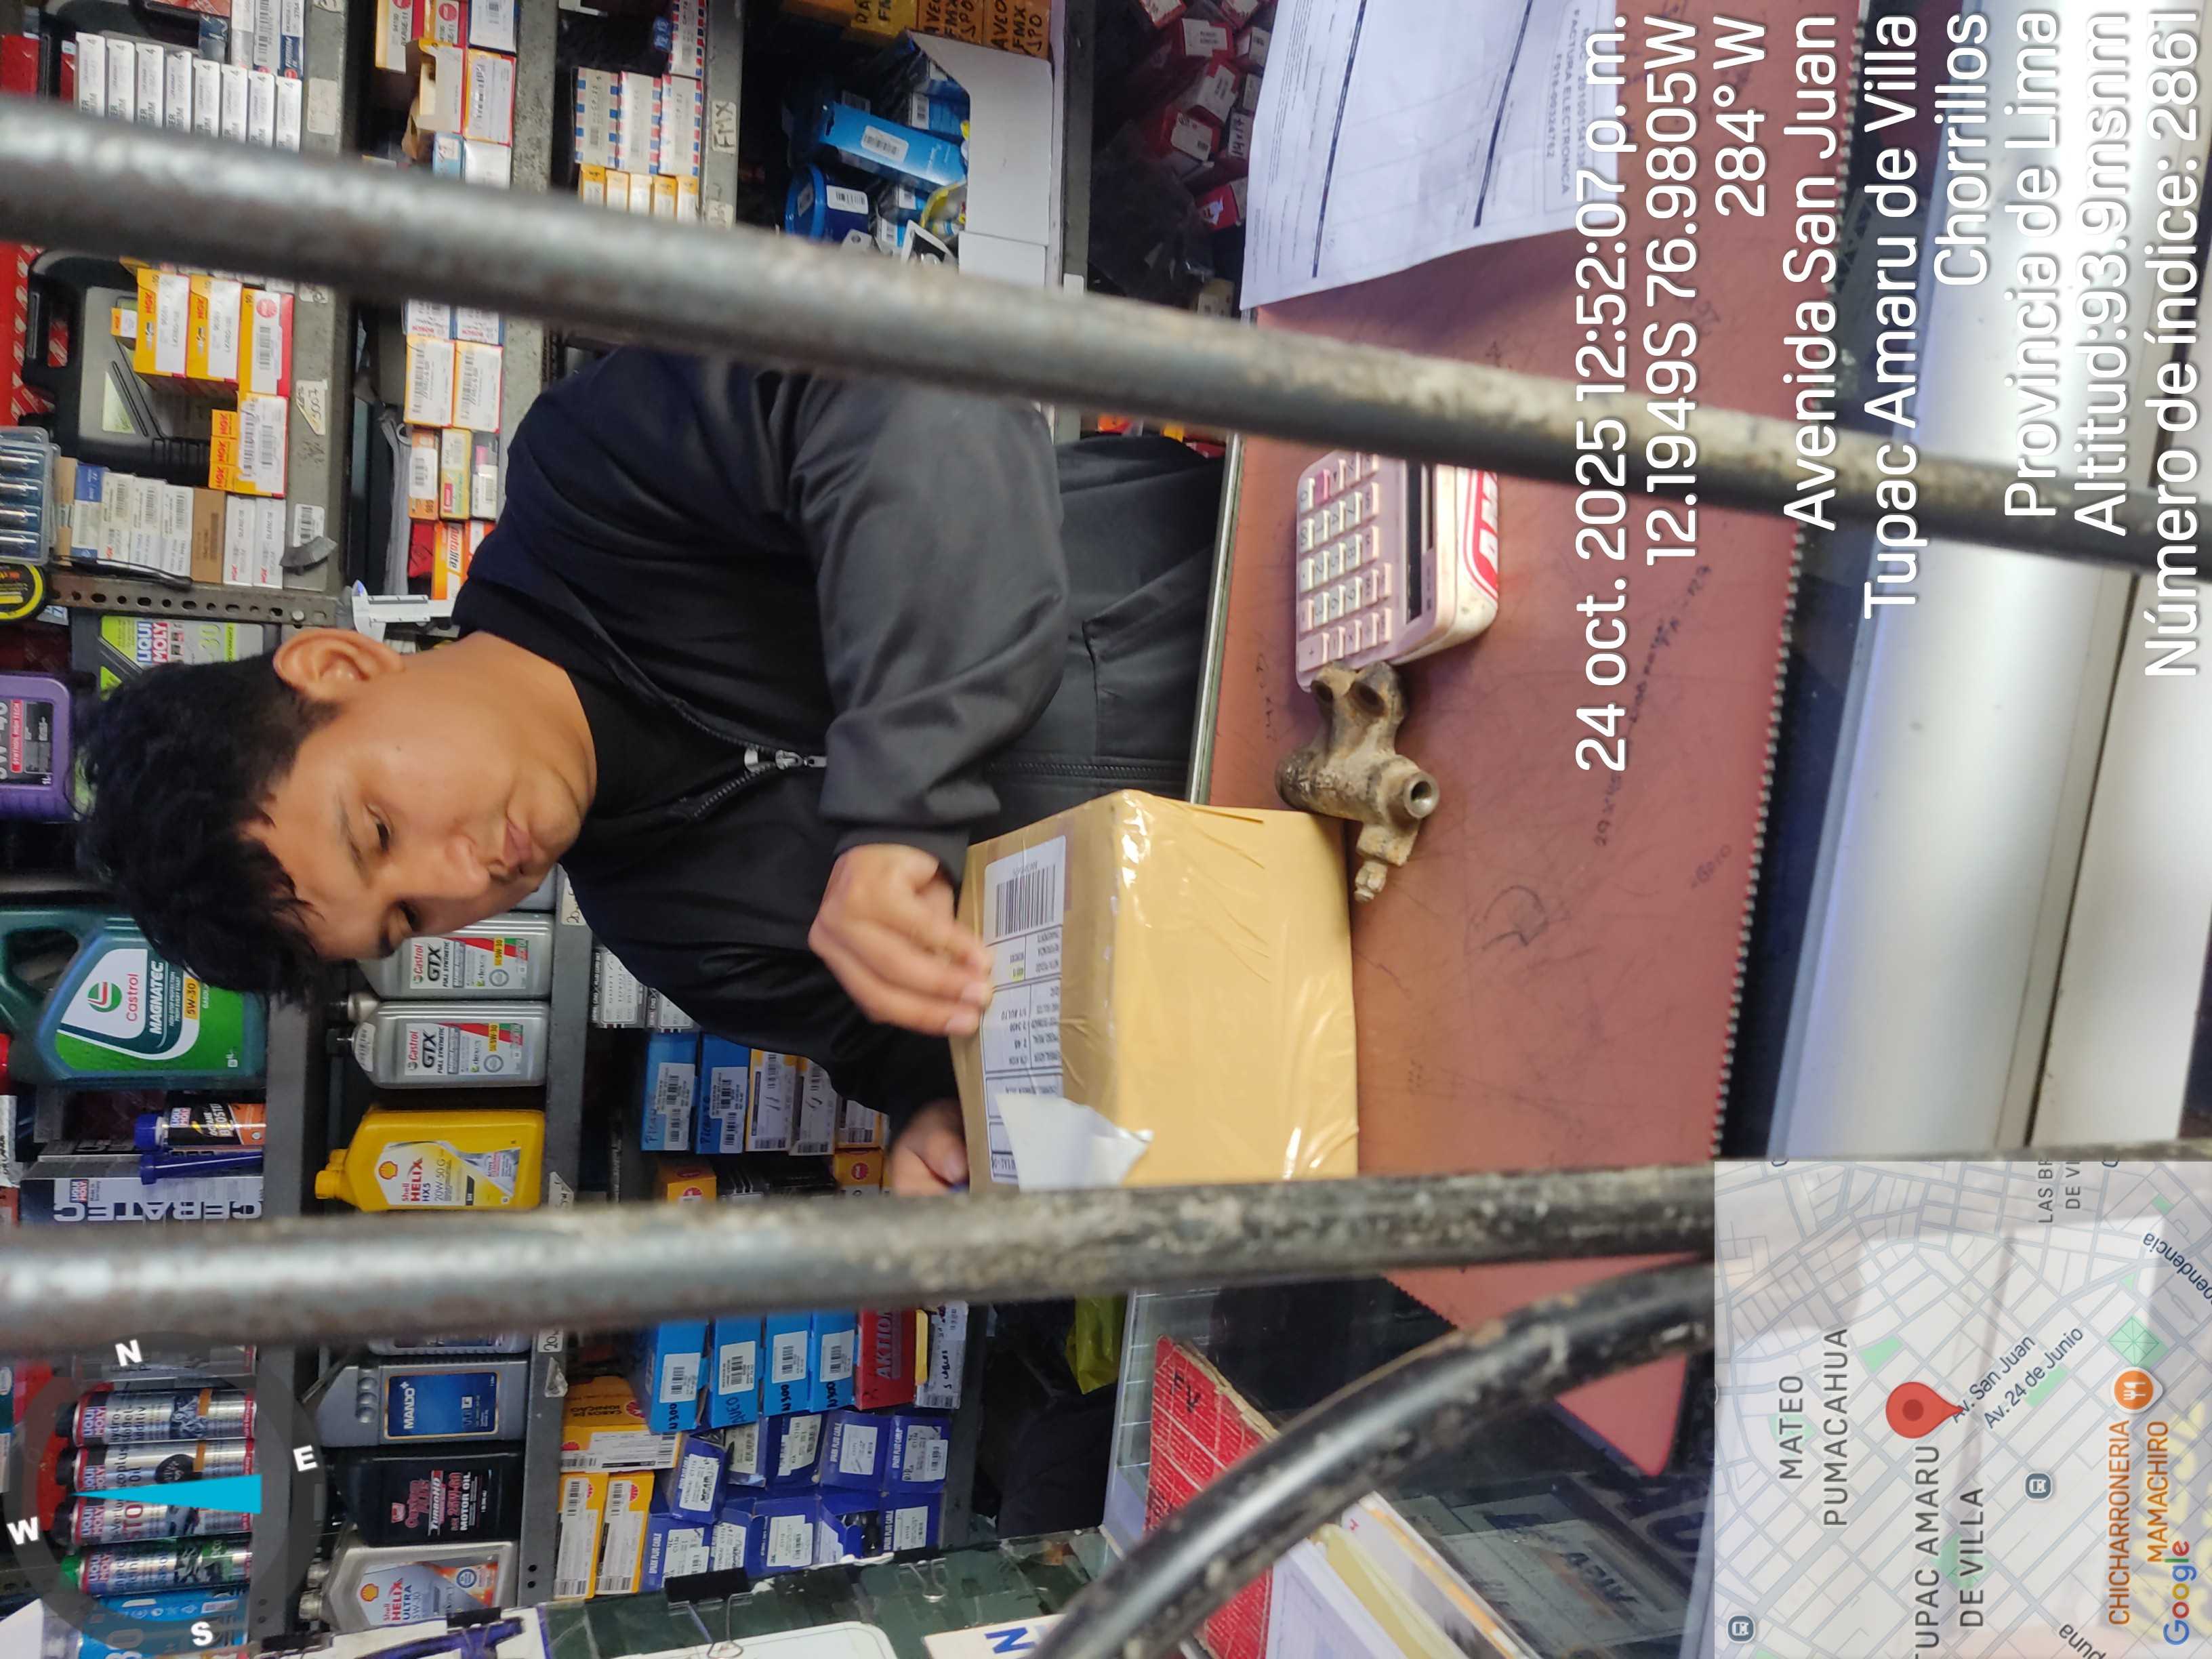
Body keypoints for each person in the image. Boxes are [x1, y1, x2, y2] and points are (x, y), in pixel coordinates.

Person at [78, 349, 1220, 1191]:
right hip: (1255, 920)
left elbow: (916, 390)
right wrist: (938, 1110)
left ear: (341, 667)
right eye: (410, 918)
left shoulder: (592, 478)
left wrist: (900, 812)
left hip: (1249, 620)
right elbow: (892, 1039)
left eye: (378, 830)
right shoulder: (666, 933)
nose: (468, 879)